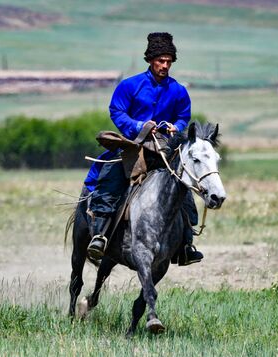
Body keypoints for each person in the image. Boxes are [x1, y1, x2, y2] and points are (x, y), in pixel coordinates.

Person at [84, 32, 203, 265]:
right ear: (151, 60)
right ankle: (99, 235)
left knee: (183, 189)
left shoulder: (178, 91)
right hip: (133, 147)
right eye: (161, 61)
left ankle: (186, 245)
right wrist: (139, 126)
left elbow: (183, 117)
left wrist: (174, 128)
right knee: (111, 179)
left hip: (165, 152)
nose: (165, 65)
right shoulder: (130, 86)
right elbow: (116, 111)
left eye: (169, 61)